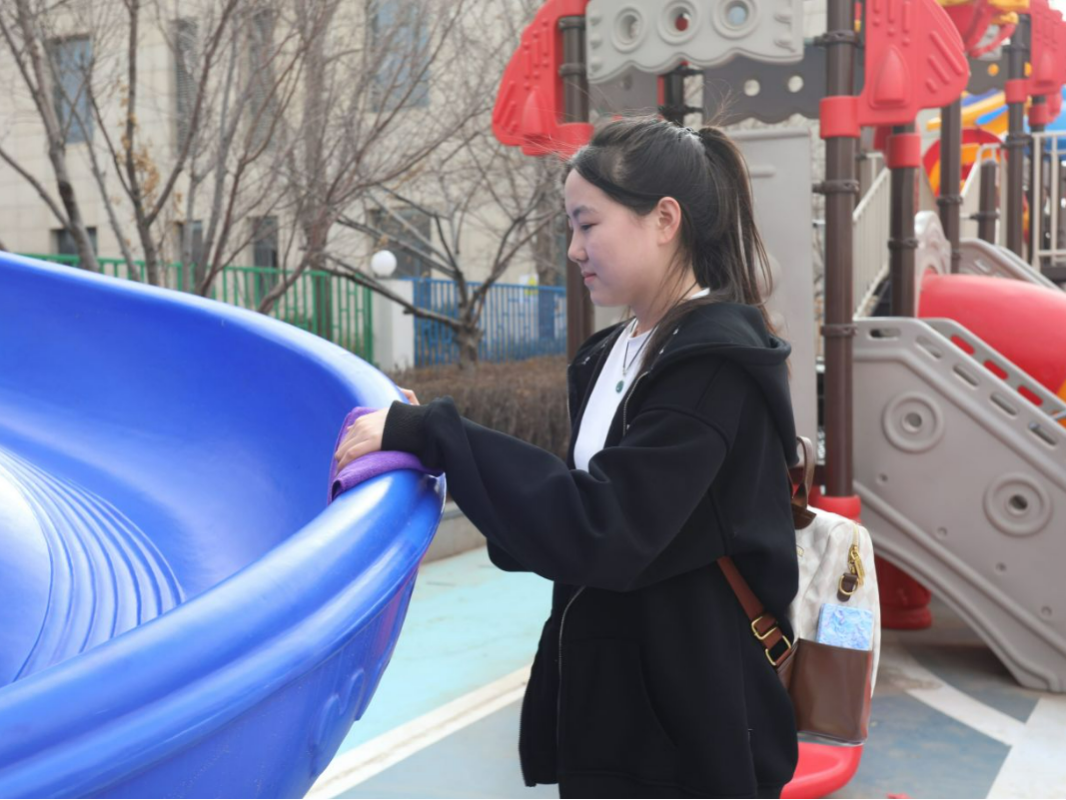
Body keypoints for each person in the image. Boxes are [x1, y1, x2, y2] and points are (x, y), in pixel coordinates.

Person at [334, 115, 800, 799]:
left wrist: (436, 434)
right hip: (615, 707)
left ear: (664, 219)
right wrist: (436, 448)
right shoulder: (614, 352)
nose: (575, 249)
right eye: (570, 227)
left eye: (588, 224)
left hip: (693, 721)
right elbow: (572, 508)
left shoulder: (712, 365)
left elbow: (607, 525)